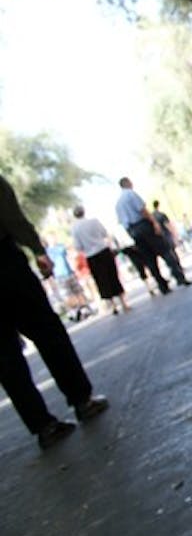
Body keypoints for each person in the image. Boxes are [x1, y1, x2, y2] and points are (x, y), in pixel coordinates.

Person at [0, 174, 109, 449]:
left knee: (5, 357)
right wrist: (37, 250)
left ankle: (43, 426)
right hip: (5, 267)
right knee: (49, 334)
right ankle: (82, 400)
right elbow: (12, 219)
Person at [115, 177, 191, 293]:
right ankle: (179, 276)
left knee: (149, 258)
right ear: (128, 183)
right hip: (144, 226)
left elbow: (123, 223)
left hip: (134, 231)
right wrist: (154, 223)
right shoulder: (131, 194)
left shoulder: (118, 204)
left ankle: (162, 285)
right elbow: (142, 210)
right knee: (165, 251)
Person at [71, 205, 130, 315]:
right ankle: (123, 303)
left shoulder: (75, 229)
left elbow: (78, 247)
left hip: (91, 256)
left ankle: (113, 305)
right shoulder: (94, 221)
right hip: (103, 250)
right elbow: (104, 234)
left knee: (101, 281)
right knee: (112, 276)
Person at [45, 238, 94, 323]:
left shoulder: (58, 248)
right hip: (59, 276)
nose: (54, 240)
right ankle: (77, 310)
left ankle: (84, 308)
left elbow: (69, 250)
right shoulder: (50, 251)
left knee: (77, 291)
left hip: (68, 273)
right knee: (68, 295)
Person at [151, 199, 181, 268]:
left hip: (159, 237)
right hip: (166, 235)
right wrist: (174, 233)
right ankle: (178, 266)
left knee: (167, 253)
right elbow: (167, 224)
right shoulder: (161, 215)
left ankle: (173, 267)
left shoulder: (152, 216)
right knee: (172, 251)